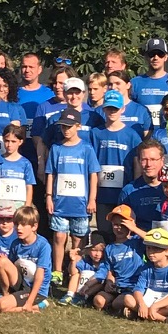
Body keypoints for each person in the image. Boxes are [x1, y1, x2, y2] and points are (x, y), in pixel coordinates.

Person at [45, 108, 100, 302]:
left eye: (69, 127)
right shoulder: (56, 148)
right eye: (62, 127)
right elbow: (50, 173)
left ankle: (74, 272)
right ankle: (57, 271)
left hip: (80, 204)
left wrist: (92, 198)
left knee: (78, 241)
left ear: (78, 126)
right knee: (59, 237)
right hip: (60, 202)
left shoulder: (86, 148)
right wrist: (49, 196)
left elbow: (93, 174)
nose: (65, 130)